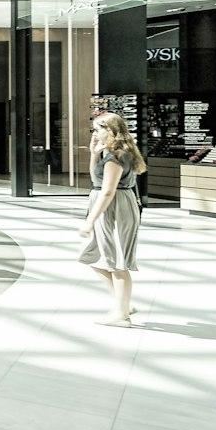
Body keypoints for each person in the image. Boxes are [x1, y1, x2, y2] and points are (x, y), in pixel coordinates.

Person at [80, 112, 142, 327]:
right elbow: (95, 180)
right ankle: (122, 304)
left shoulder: (115, 157)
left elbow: (107, 191)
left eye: (97, 129)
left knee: (116, 263)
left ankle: (121, 313)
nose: (94, 134)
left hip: (114, 209)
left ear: (110, 130)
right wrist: (93, 154)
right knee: (97, 258)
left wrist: (90, 221)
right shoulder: (111, 154)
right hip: (112, 207)